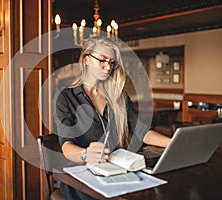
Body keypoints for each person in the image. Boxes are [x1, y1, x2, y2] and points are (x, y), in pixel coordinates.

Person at [54, 36, 171, 199]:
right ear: (86, 59)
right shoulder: (65, 97)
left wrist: (172, 143)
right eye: (102, 60)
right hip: (83, 175)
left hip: (117, 169)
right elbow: (66, 145)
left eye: (111, 62)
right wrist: (84, 154)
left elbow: (142, 131)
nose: (108, 67)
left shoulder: (119, 96)